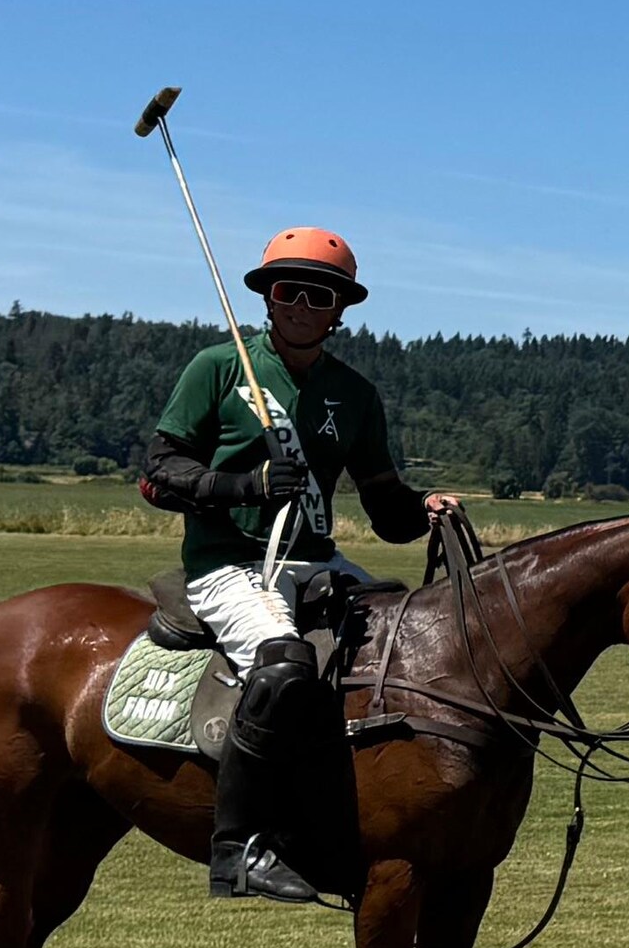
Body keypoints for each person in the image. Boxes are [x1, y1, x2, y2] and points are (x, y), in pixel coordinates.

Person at [134, 227, 454, 904]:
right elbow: (160, 468)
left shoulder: (354, 394)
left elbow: (385, 505)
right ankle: (238, 847)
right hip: (231, 562)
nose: (303, 305)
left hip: (318, 559)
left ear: (340, 309)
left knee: (416, 638)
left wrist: (426, 508)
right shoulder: (220, 367)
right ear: (268, 298)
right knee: (283, 664)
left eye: (321, 295)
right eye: (290, 290)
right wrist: (243, 486)